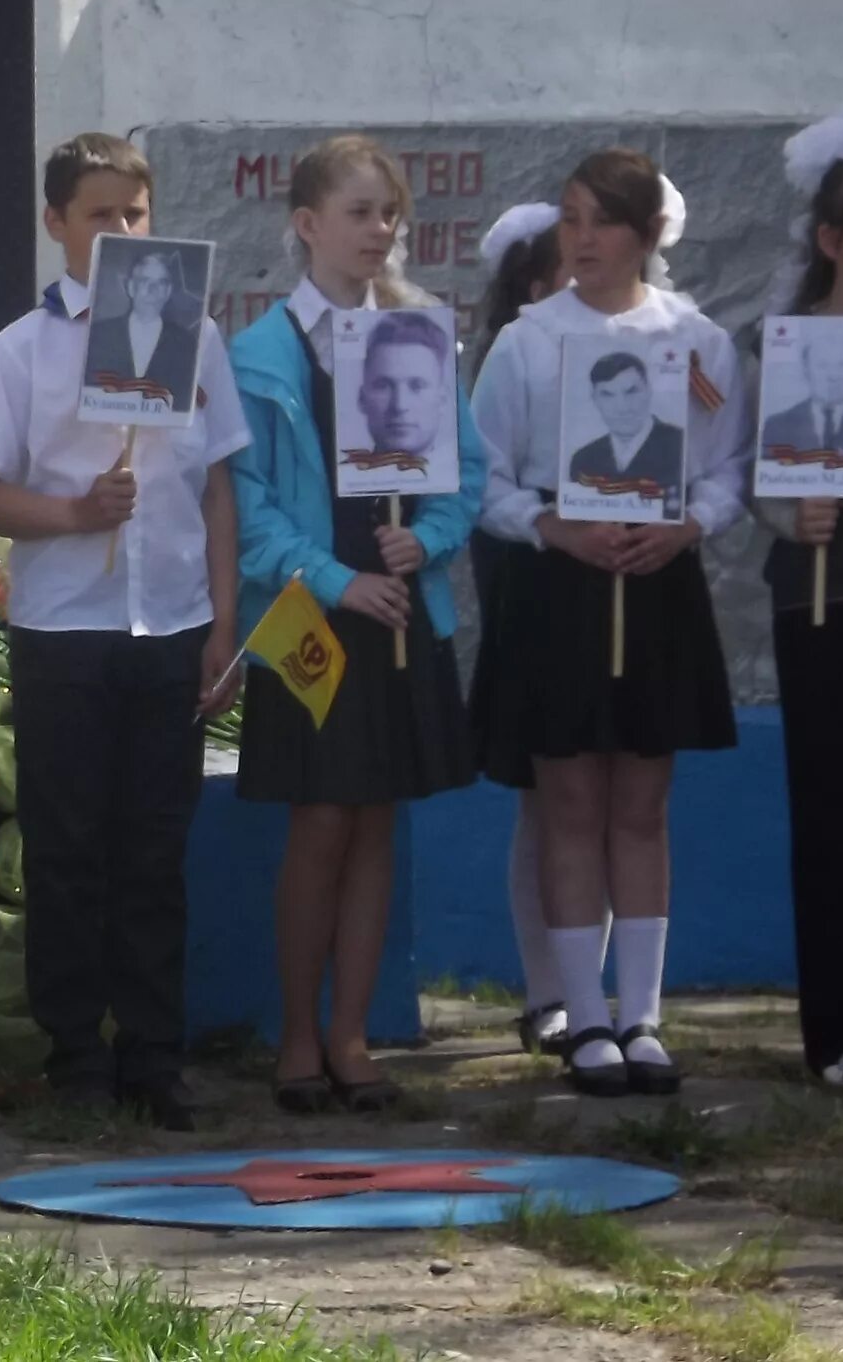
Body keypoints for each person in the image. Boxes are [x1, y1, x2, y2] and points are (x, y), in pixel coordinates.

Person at [0, 133, 246, 1130]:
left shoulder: (194, 338)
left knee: (156, 845)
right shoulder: (21, 349)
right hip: (66, 623)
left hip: (169, 619)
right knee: (71, 843)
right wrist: (74, 513)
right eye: (99, 215)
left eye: (135, 213)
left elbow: (215, 485)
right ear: (57, 225)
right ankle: (75, 1049)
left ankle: (155, 1051)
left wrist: (223, 621)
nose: (122, 231)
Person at [470, 149, 740, 1098]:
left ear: (645, 234)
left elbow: (721, 467)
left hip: (656, 582)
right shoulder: (528, 340)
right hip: (560, 585)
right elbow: (485, 472)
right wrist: (549, 526)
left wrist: (686, 527)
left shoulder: (696, 341)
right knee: (572, 803)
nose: (581, 240)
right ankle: (583, 1018)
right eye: (571, 220)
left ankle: (644, 1017)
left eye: (601, 222)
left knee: (641, 803)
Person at [226, 136, 482, 1116]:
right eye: (361, 212)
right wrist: (338, 580)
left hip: (404, 613)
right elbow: (249, 510)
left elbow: (466, 473)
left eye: (391, 214)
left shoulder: (418, 336)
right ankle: (297, 1035)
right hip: (310, 618)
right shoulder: (258, 353)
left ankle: (352, 1033)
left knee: (378, 820)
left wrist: (433, 541)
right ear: (306, 225)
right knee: (322, 818)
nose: (381, 230)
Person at [752, 117, 843, 1089]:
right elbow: (755, 474)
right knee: (835, 818)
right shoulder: (791, 348)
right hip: (823, 602)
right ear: (833, 240)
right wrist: (787, 512)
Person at [471, 199, 577, 1055]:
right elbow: (486, 495)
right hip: (535, 596)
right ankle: (549, 993)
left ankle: (600, 991)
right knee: (547, 807)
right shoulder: (512, 366)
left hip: (625, 590)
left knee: (612, 805)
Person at [760, 332, 843, 496]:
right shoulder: (777, 426)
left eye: (842, 365)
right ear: (806, 370)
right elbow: (769, 495)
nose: (833, 376)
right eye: (822, 365)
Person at [566, 352, 687, 519]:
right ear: (595, 400)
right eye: (607, 395)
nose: (622, 407)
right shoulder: (583, 460)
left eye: (631, 392)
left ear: (648, 390)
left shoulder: (681, 445)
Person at [85, 244, 201, 413]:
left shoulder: (186, 343)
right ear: (131, 287)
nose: (152, 290)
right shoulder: (98, 334)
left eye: (160, 283)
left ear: (168, 291)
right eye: (145, 281)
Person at [355, 312, 452, 461]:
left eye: (417, 386)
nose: (399, 405)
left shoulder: (469, 476)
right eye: (384, 386)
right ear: (362, 399)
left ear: (443, 399)